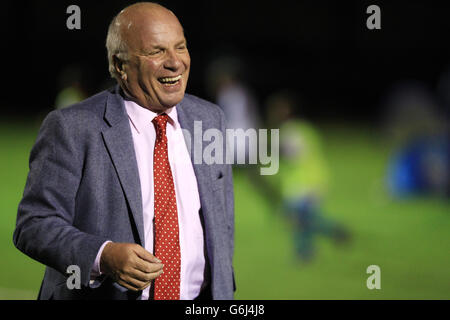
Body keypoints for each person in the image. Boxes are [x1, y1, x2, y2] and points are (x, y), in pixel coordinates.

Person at [13, 2, 235, 300]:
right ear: (120, 65)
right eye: (157, 51)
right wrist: (103, 256)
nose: (175, 62)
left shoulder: (210, 119)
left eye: (180, 47)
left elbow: (222, 220)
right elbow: (34, 224)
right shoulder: (72, 127)